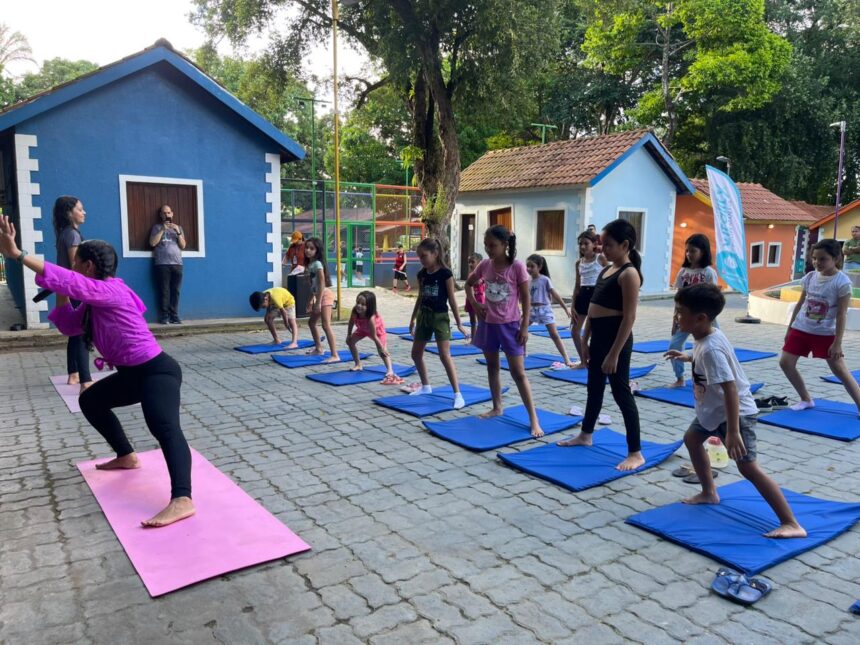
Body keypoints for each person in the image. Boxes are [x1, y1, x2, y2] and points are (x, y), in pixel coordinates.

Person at [0, 217, 194, 528]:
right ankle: (126, 456)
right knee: (90, 401)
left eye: (76, 263)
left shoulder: (112, 290)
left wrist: (18, 254)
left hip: (157, 372)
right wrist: (58, 287)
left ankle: (183, 498)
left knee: (163, 426)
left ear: (89, 267)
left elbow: (72, 282)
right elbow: (68, 325)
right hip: (132, 375)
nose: (73, 268)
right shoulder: (93, 303)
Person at [665, 283, 807, 538]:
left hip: (735, 415)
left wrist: (733, 432)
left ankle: (791, 523)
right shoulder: (705, 337)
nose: (676, 317)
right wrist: (687, 357)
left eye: (680, 312)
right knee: (692, 439)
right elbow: (705, 358)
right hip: (715, 411)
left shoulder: (711, 348)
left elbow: (730, 389)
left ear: (700, 318)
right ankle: (709, 492)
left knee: (748, 467)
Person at [558, 219, 644, 471]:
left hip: (616, 340)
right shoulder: (605, 270)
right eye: (601, 244)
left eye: (608, 245)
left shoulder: (629, 274)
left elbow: (629, 317)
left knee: (621, 393)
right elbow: (594, 308)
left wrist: (614, 354)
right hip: (597, 338)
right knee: (594, 388)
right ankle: (586, 434)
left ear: (625, 245)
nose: (602, 249)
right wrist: (584, 341)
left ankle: (635, 452)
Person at [466, 226, 544, 437]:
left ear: (504, 245)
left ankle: (534, 419)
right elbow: (468, 284)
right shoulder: (484, 265)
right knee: (492, 367)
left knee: (518, 373)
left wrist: (524, 327)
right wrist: (476, 304)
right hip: (488, 325)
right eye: (486, 245)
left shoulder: (516, 267)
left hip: (511, 326)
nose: (489, 249)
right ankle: (497, 407)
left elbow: (526, 298)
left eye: (493, 245)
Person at [780, 238, 860, 413]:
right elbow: (800, 304)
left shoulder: (842, 282)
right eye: (815, 258)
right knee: (785, 363)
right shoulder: (810, 277)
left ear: (836, 259)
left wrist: (837, 342)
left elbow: (841, 314)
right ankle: (806, 399)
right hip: (801, 328)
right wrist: (789, 329)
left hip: (825, 333)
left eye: (823, 259)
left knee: (840, 370)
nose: (817, 262)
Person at [407, 237, 467, 408]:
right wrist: (412, 319)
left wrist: (459, 323)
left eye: (424, 256)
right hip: (424, 316)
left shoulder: (445, 274)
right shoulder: (422, 275)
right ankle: (426, 386)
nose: (421, 260)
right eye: (419, 257)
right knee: (416, 354)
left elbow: (452, 300)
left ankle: (457, 394)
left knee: (444, 355)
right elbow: (420, 297)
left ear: (435, 253)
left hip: (440, 317)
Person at [667, 234, 719, 388]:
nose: (689, 254)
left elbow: (713, 297)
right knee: (674, 345)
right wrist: (675, 319)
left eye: (693, 251)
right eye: (687, 251)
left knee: (713, 347)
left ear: (703, 251)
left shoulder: (709, 272)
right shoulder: (683, 272)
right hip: (685, 317)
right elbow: (678, 297)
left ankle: (714, 378)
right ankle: (680, 378)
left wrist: (710, 319)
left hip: (705, 318)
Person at [53, 195, 93, 393]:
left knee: (74, 332)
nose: (84, 212)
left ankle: (73, 374)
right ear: (70, 213)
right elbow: (75, 266)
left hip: (68, 289)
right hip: (75, 289)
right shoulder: (73, 235)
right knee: (81, 333)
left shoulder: (65, 233)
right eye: (80, 209)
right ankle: (86, 380)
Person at [525, 253, 575, 367]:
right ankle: (522, 353)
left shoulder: (545, 280)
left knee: (554, 335)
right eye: (527, 266)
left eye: (532, 266)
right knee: (521, 329)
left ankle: (566, 358)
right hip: (532, 310)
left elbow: (555, 294)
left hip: (545, 310)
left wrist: (565, 308)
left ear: (539, 267)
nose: (529, 269)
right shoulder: (528, 280)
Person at [346, 291, 402, 384]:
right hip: (362, 329)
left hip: (378, 333)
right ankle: (358, 364)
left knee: (382, 351)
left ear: (370, 306)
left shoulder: (371, 318)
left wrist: (381, 348)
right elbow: (351, 322)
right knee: (350, 342)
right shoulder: (355, 311)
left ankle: (390, 370)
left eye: (363, 304)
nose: (359, 306)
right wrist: (349, 335)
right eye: (358, 302)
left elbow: (374, 336)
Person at [571, 230, 606, 368]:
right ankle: (583, 361)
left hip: (596, 296)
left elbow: (610, 276)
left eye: (586, 243)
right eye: (580, 244)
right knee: (574, 331)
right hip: (582, 296)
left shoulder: (600, 259)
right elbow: (577, 285)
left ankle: (595, 359)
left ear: (594, 244)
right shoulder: (578, 263)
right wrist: (572, 305)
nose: (583, 246)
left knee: (593, 331)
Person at [304, 237, 340, 362]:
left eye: (311, 248)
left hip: (325, 295)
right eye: (307, 247)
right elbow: (313, 287)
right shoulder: (310, 265)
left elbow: (322, 283)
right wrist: (310, 300)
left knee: (326, 325)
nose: (308, 250)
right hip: (319, 295)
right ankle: (319, 349)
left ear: (317, 251)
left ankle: (335, 355)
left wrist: (318, 303)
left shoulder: (318, 264)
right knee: (311, 323)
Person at [149, 204, 186, 324]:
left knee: (176, 291)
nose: (167, 215)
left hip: (177, 263)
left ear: (172, 214)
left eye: (168, 212)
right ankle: (164, 316)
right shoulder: (156, 227)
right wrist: (162, 230)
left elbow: (183, 245)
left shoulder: (178, 227)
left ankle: (174, 316)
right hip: (162, 263)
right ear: (161, 215)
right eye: (164, 213)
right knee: (164, 291)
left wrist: (178, 232)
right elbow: (152, 243)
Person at [464, 252, 485, 341]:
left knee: (481, 319)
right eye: (469, 262)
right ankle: (473, 339)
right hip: (470, 299)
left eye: (472, 262)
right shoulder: (470, 274)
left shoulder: (483, 273)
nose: (470, 264)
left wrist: (481, 280)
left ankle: (482, 338)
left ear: (479, 263)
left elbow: (480, 281)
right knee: (472, 319)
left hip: (479, 299)